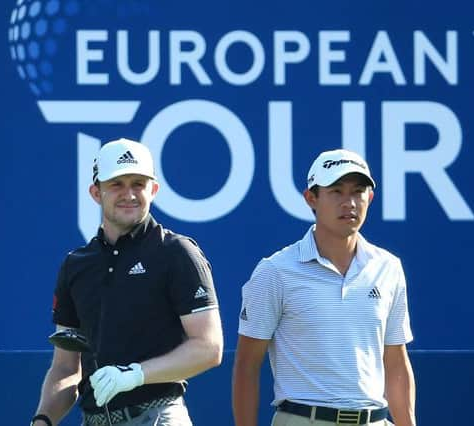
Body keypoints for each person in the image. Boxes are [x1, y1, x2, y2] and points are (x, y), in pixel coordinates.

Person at [31, 138, 223, 426]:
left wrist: (134, 375)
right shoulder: (76, 265)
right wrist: (43, 420)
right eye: (117, 184)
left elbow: (208, 348)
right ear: (96, 193)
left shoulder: (176, 252)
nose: (129, 194)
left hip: (159, 416)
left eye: (138, 184)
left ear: (154, 190)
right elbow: (66, 367)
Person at [232, 149, 416, 426]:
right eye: (336, 192)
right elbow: (247, 366)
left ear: (370, 198)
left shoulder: (388, 267)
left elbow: (396, 362)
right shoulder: (275, 271)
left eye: (357, 191)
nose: (349, 202)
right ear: (311, 199)